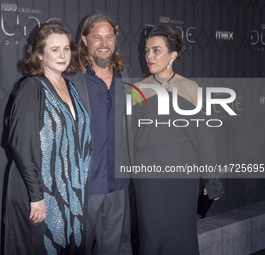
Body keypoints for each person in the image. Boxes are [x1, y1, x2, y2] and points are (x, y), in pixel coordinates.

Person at [131, 25, 223, 254]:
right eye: (147, 51)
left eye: (156, 50)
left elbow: (203, 139)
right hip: (148, 178)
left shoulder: (191, 88)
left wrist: (213, 182)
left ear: (173, 55)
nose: (149, 56)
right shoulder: (136, 90)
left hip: (183, 176)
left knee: (182, 237)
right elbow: (129, 140)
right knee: (150, 237)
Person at [3, 22, 92, 255]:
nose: (62, 55)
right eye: (54, 49)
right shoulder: (32, 88)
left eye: (66, 48)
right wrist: (36, 196)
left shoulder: (70, 87)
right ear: (39, 55)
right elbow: (22, 146)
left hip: (70, 191)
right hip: (40, 193)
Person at [67, 13, 131, 255]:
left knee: (111, 250)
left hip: (118, 183)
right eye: (97, 37)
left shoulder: (127, 76)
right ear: (84, 40)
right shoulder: (72, 80)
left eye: (109, 37)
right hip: (85, 185)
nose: (104, 43)